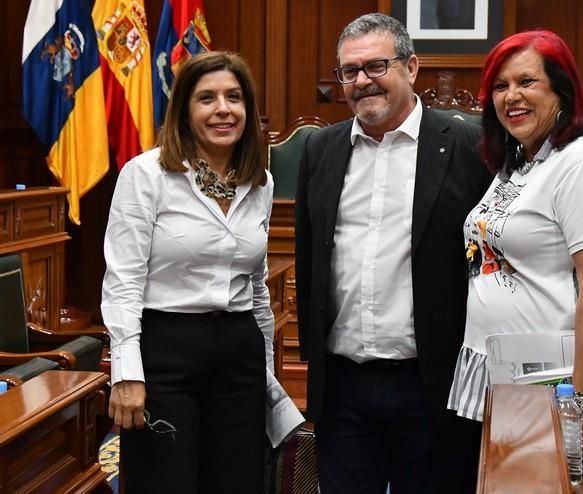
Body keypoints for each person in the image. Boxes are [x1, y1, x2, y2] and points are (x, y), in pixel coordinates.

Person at [447, 29, 583, 476]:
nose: (511, 97)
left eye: (527, 82)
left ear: (563, 90)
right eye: (501, 86)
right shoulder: (524, 159)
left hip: (565, 395)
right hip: (517, 391)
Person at [295, 13, 493, 494]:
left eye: (377, 66)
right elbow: (307, 259)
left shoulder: (470, 145)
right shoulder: (320, 150)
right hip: (343, 388)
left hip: (432, 386)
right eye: (349, 71)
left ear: (412, 67)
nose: (362, 81)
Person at [101, 51, 274, 493]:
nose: (223, 109)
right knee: (165, 483)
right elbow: (123, 281)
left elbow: (256, 288)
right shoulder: (146, 175)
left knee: (238, 483)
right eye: (207, 98)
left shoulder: (259, 182)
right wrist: (126, 373)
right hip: (165, 353)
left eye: (234, 97)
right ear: (184, 109)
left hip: (239, 354)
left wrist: (267, 374)